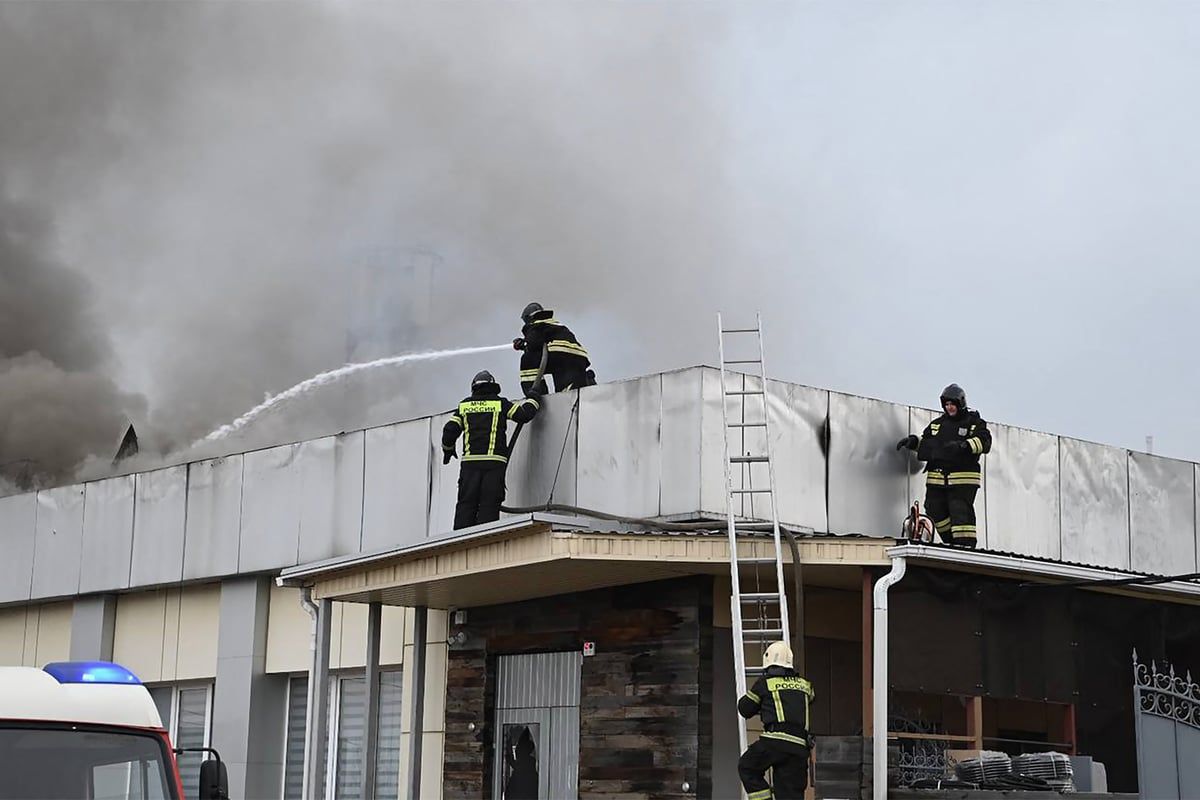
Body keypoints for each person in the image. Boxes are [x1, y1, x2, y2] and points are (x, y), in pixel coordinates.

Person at [896, 383, 992, 548]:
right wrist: (913, 442)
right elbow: (927, 443)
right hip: (936, 480)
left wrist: (964, 446)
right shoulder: (937, 425)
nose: (949, 408)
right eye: (946, 404)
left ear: (960, 403)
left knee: (959, 512)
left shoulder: (974, 423)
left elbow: (985, 442)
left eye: (952, 404)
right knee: (933, 509)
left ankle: (965, 546)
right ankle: (951, 542)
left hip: (963, 480)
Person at [442, 371, 540, 530]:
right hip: (494, 464)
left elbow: (449, 430)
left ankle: (460, 542)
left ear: (474, 388)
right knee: (489, 504)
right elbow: (524, 415)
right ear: (493, 386)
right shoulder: (500, 403)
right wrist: (534, 397)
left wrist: (448, 449)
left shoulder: (465, 405)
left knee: (466, 504)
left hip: (470, 466)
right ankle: (485, 541)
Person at [738, 641, 814, 800]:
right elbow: (807, 700)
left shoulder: (765, 684)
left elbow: (745, 709)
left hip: (774, 742)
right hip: (799, 747)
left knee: (748, 768)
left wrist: (763, 704)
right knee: (790, 793)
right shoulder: (805, 685)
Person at [513, 301, 595, 394]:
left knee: (527, 360)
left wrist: (525, 345)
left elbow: (534, 344)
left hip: (559, 356)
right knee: (566, 389)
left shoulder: (536, 324)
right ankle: (586, 380)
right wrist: (524, 344)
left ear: (529, 317)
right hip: (578, 357)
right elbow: (543, 342)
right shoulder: (555, 324)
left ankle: (536, 395)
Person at [503, 726, 539, 800]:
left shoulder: (527, 763)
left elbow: (515, 764)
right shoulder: (527, 763)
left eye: (518, 750)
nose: (516, 752)